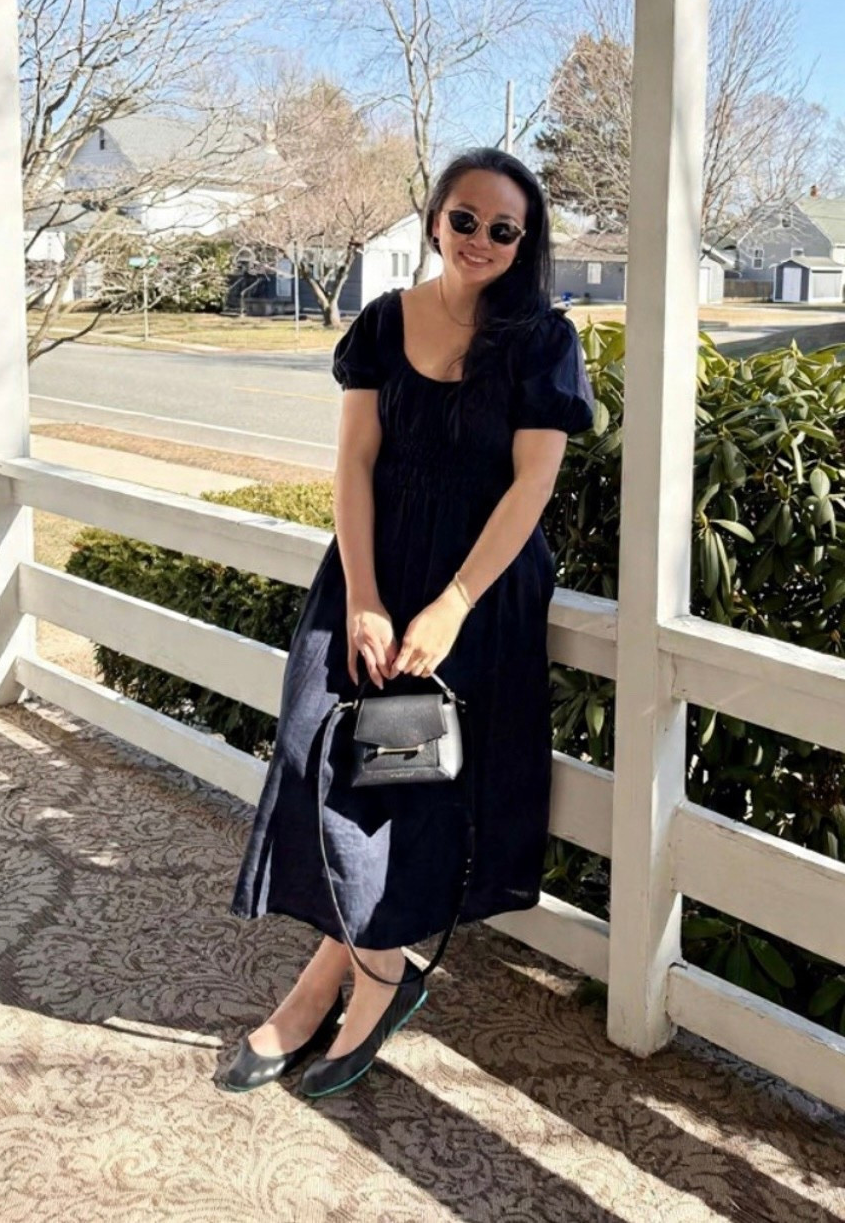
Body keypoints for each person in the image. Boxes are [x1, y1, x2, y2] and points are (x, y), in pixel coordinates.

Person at [221, 147, 596, 1099]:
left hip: (479, 590)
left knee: (423, 784)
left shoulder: (541, 339)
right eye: (464, 218)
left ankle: (352, 981)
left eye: (502, 229)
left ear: (524, 241)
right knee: (325, 763)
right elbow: (352, 464)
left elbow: (533, 485)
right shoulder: (382, 323)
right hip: (368, 576)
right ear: (434, 218)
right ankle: (360, 976)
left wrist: (455, 604)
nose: (479, 240)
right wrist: (363, 595)